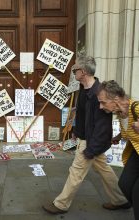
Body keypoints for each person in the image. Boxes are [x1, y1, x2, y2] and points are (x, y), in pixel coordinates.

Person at [42, 55, 130, 215]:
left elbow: (102, 128)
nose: (73, 72)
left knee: (76, 171)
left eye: (75, 70)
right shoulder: (84, 89)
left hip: (92, 141)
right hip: (86, 137)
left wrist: (90, 149)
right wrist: (77, 133)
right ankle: (121, 199)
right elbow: (81, 115)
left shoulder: (100, 94)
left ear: (82, 72)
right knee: (104, 169)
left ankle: (61, 204)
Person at [97, 80, 139, 219]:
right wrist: (119, 136)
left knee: (137, 193)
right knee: (124, 184)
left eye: (103, 102)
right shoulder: (121, 113)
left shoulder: (136, 108)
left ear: (115, 99)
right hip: (135, 152)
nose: (100, 106)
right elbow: (129, 130)